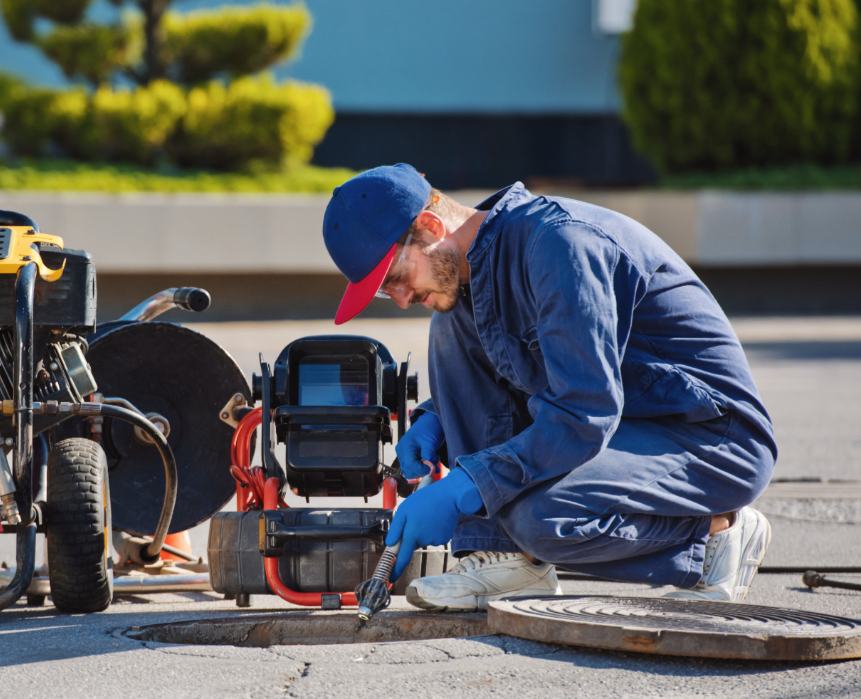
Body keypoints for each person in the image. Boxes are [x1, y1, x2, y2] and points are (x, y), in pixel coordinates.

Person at [322, 164, 777, 610]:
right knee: (449, 318)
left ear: (430, 225)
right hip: (626, 421)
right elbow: (525, 370)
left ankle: (719, 533)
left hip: (710, 436)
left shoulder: (560, 245)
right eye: (385, 291)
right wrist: (439, 418)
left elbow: (584, 412)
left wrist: (470, 484)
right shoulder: (472, 268)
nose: (400, 299)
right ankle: (506, 560)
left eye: (395, 279)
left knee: (542, 519)